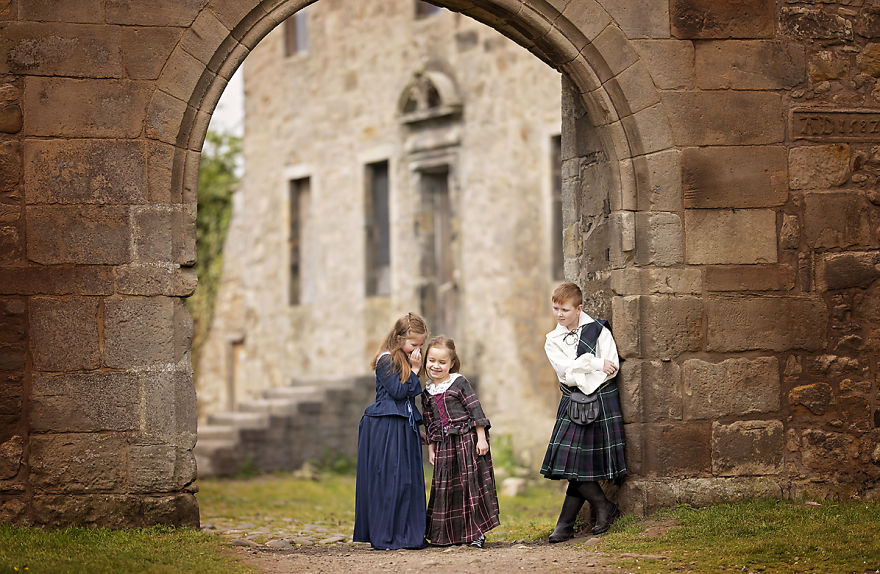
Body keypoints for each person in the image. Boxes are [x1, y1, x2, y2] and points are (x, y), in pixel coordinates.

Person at [540, 282, 626, 542]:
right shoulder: (551, 340)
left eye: (564, 309)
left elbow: (613, 369)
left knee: (579, 466)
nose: (559, 314)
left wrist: (585, 371)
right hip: (573, 401)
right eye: (555, 308)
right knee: (571, 464)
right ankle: (603, 506)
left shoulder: (599, 331)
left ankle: (565, 525)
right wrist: (595, 362)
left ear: (579, 308)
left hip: (601, 399)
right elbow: (566, 374)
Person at [353, 312, 429, 550]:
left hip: (402, 427)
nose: (417, 349)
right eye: (413, 344)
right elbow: (397, 392)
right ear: (398, 339)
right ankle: (387, 535)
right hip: (386, 427)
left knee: (407, 481)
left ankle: (408, 534)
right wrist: (416, 370)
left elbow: (408, 401)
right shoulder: (386, 360)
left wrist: (417, 426)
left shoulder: (405, 360)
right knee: (390, 480)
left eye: (421, 345)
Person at [421, 336, 500, 548]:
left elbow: (475, 409)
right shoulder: (427, 392)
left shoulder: (459, 382)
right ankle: (447, 535)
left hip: (466, 442)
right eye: (432, 360)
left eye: (442, 362)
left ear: (451, 363)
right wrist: (431, 448)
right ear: (426, 360)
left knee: (469, 487)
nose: (436, 366)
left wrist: (481, 438)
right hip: (444, 446)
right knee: (446, 488)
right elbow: (430, 424)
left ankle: (477, 534)